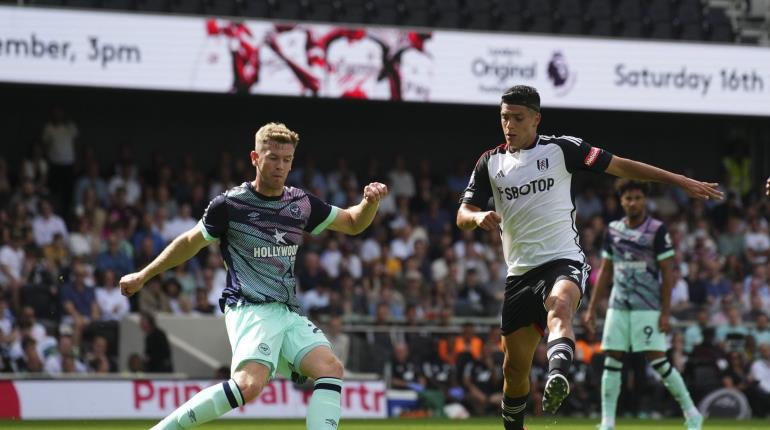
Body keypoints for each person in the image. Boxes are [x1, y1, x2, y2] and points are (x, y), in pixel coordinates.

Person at [456, 85, 721, 430]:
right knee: (514, 370)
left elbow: (623, 167)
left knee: (560, 306)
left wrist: (679, 181)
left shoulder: (562, 149)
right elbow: (463, 214)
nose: (509, 125)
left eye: (518, 118)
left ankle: (557, 376)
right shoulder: (489, 162)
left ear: (536, 119)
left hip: (563, 259)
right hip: (519, 273)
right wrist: (477, 218)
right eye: (504, 117)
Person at [120, 122, 388, 430]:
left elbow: (353, 223)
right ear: (254, 157)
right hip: (249, 307)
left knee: (330, 368)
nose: (280, 166)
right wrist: (144, 274)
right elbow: (190, 243)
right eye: (273, 157)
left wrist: (369, 203)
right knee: (248, 385)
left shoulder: (300, 203)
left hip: (286, 310)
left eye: (287, 160)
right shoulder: (230, 205)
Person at [583, 180, 703, 430]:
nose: (633, 202)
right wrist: (592, 308)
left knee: (658, 361)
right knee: (612, 359)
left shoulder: (658, 230)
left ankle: (692, 412)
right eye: (628, 198)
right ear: (621, 201)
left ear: (644, 200)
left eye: (637, 197)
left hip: (647, 306)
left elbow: (667, 273)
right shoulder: (613, 230)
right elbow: (605, 271)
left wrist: (666, 312)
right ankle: (607, 422)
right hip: (618, 305)